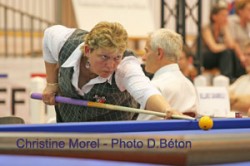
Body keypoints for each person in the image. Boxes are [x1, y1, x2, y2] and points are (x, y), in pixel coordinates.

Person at [42, 22, 181, 122]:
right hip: (67, 131)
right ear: (87, 50)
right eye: (104, 57)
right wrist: (51, 83)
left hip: (113, 137)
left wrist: (166, 110)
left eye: (117, 57)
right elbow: (48, 35)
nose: (111, 65)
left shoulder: (125, 66)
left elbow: (146, 90)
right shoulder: (65, 42)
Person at [136, 29, 199, 120]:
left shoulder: (155, 88)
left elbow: (142, 130)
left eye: (147, 51)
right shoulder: (190, 85)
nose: (143, 58)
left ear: (159, 53)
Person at [202, 2, 238, 82]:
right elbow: (214, 47)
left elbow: (231, 45)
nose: (225, 18)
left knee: (230, 53)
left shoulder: (223, 29)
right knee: (226, 52)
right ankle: (227, 78)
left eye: (226, 15)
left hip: (216, 57)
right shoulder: (206, 28)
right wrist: (226, 46)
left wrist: (225, 28)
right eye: (223, 15)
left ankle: (236, 77)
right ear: (214, 17)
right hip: (203, 58)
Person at [228, 0, 250, 77]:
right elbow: (233, 43)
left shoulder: (248, 25)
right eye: (249, 10)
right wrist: (242, 56)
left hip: (245, 54)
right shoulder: (232, 21)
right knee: (230, 53)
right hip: (235, 55)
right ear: (240, 11)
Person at [230, 41, 250, 116]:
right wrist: (238, 100)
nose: (244, 59)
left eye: (249, 55)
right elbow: (223, 97)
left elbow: (248, 103)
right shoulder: (242, 79)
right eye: (244, 55)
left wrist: (233, 100)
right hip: (232, 123)